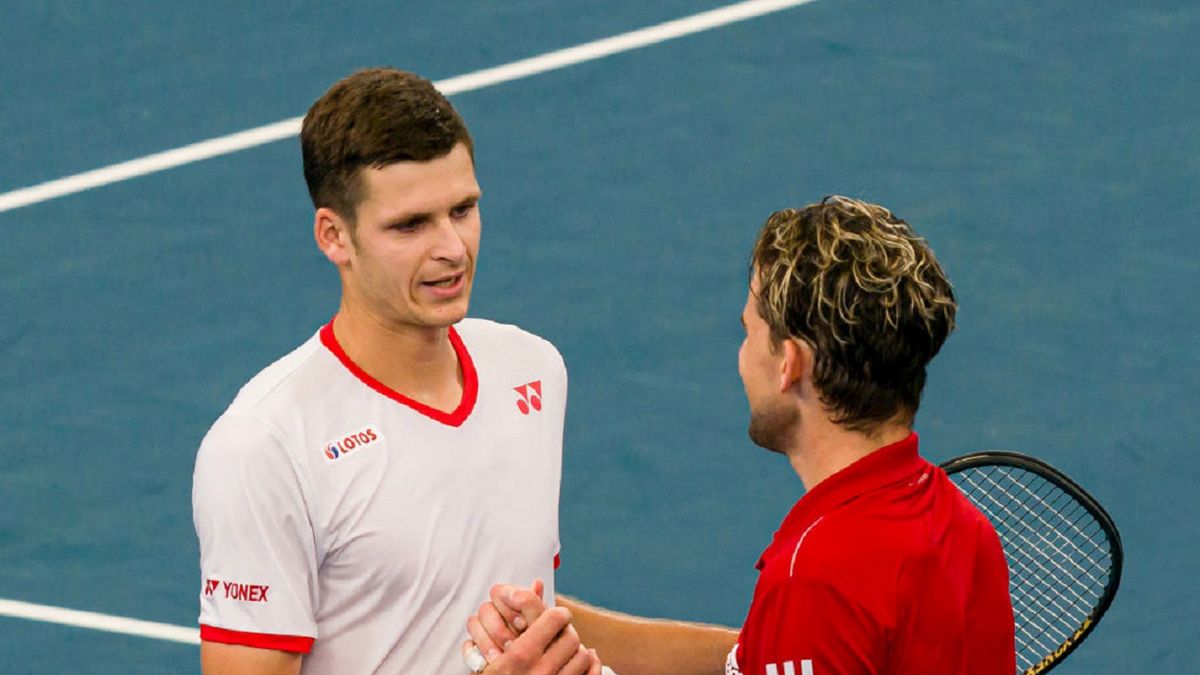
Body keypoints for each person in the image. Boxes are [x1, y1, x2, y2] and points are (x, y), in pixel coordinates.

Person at [466, 196, 1016, 674]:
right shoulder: (962, 526)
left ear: (789, 364)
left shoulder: (815, 580)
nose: (742, 354)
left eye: (750, 331)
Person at [192, 67, 597, 674]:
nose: (453, 249)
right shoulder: (263, 446)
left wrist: (737, 654)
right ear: (334, 236)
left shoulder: (532, 372)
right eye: (411, 225)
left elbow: (510, 614)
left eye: (463, 209)